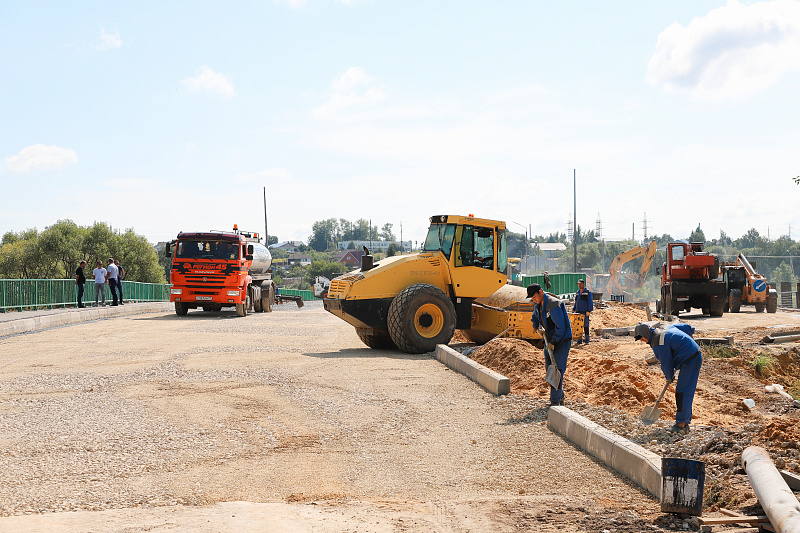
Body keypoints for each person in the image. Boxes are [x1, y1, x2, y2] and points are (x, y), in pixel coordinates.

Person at [634, 322, 703, 433]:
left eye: (641, 338)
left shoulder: (658, 343)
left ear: (646, 334)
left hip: (691, 360)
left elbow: (666, 363)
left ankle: (681, 425)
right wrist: (690, 337)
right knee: (683, 390)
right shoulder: (664, 327)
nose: (641, 341)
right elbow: (686, 327)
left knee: (683, 392)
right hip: (690, 356)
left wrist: (669, 376)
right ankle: (684, 421)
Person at [528, 283, 573, 406]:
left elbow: (561, 327)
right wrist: (536, 327)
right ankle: (560, 396)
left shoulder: (553, 304)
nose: (533, 299)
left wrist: (554, 342)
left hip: (562, 340)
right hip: (550, 339)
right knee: (549, 369)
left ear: (541, 292)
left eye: (534, 296)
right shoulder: (538, 305)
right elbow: (535, 317)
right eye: (532, 298)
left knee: (556, 369)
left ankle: (555, 402)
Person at [573, 279, 593, 344]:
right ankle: (579, 340)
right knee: (578, 326)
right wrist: (574, 309)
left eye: (580, 284)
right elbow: (576, 302)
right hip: (578, 311)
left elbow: (590, 302)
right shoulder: (577, 292)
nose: (579, 285)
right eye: (579, 284)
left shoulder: (587, 292)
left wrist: (589, 310)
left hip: (584, 312)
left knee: (585, 326)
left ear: (583, 284)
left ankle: (587, 340)